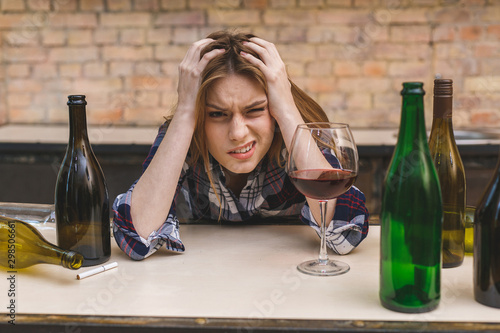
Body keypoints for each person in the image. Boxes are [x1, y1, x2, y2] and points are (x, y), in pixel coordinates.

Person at [113, 30, 369, 260]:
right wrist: (186, 111)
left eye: (255, 110)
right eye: (217, 114)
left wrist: (288, 110)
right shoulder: (183, 133)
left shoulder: (291, 131)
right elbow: (137, 239)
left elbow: (346, 236)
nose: (237, 133)